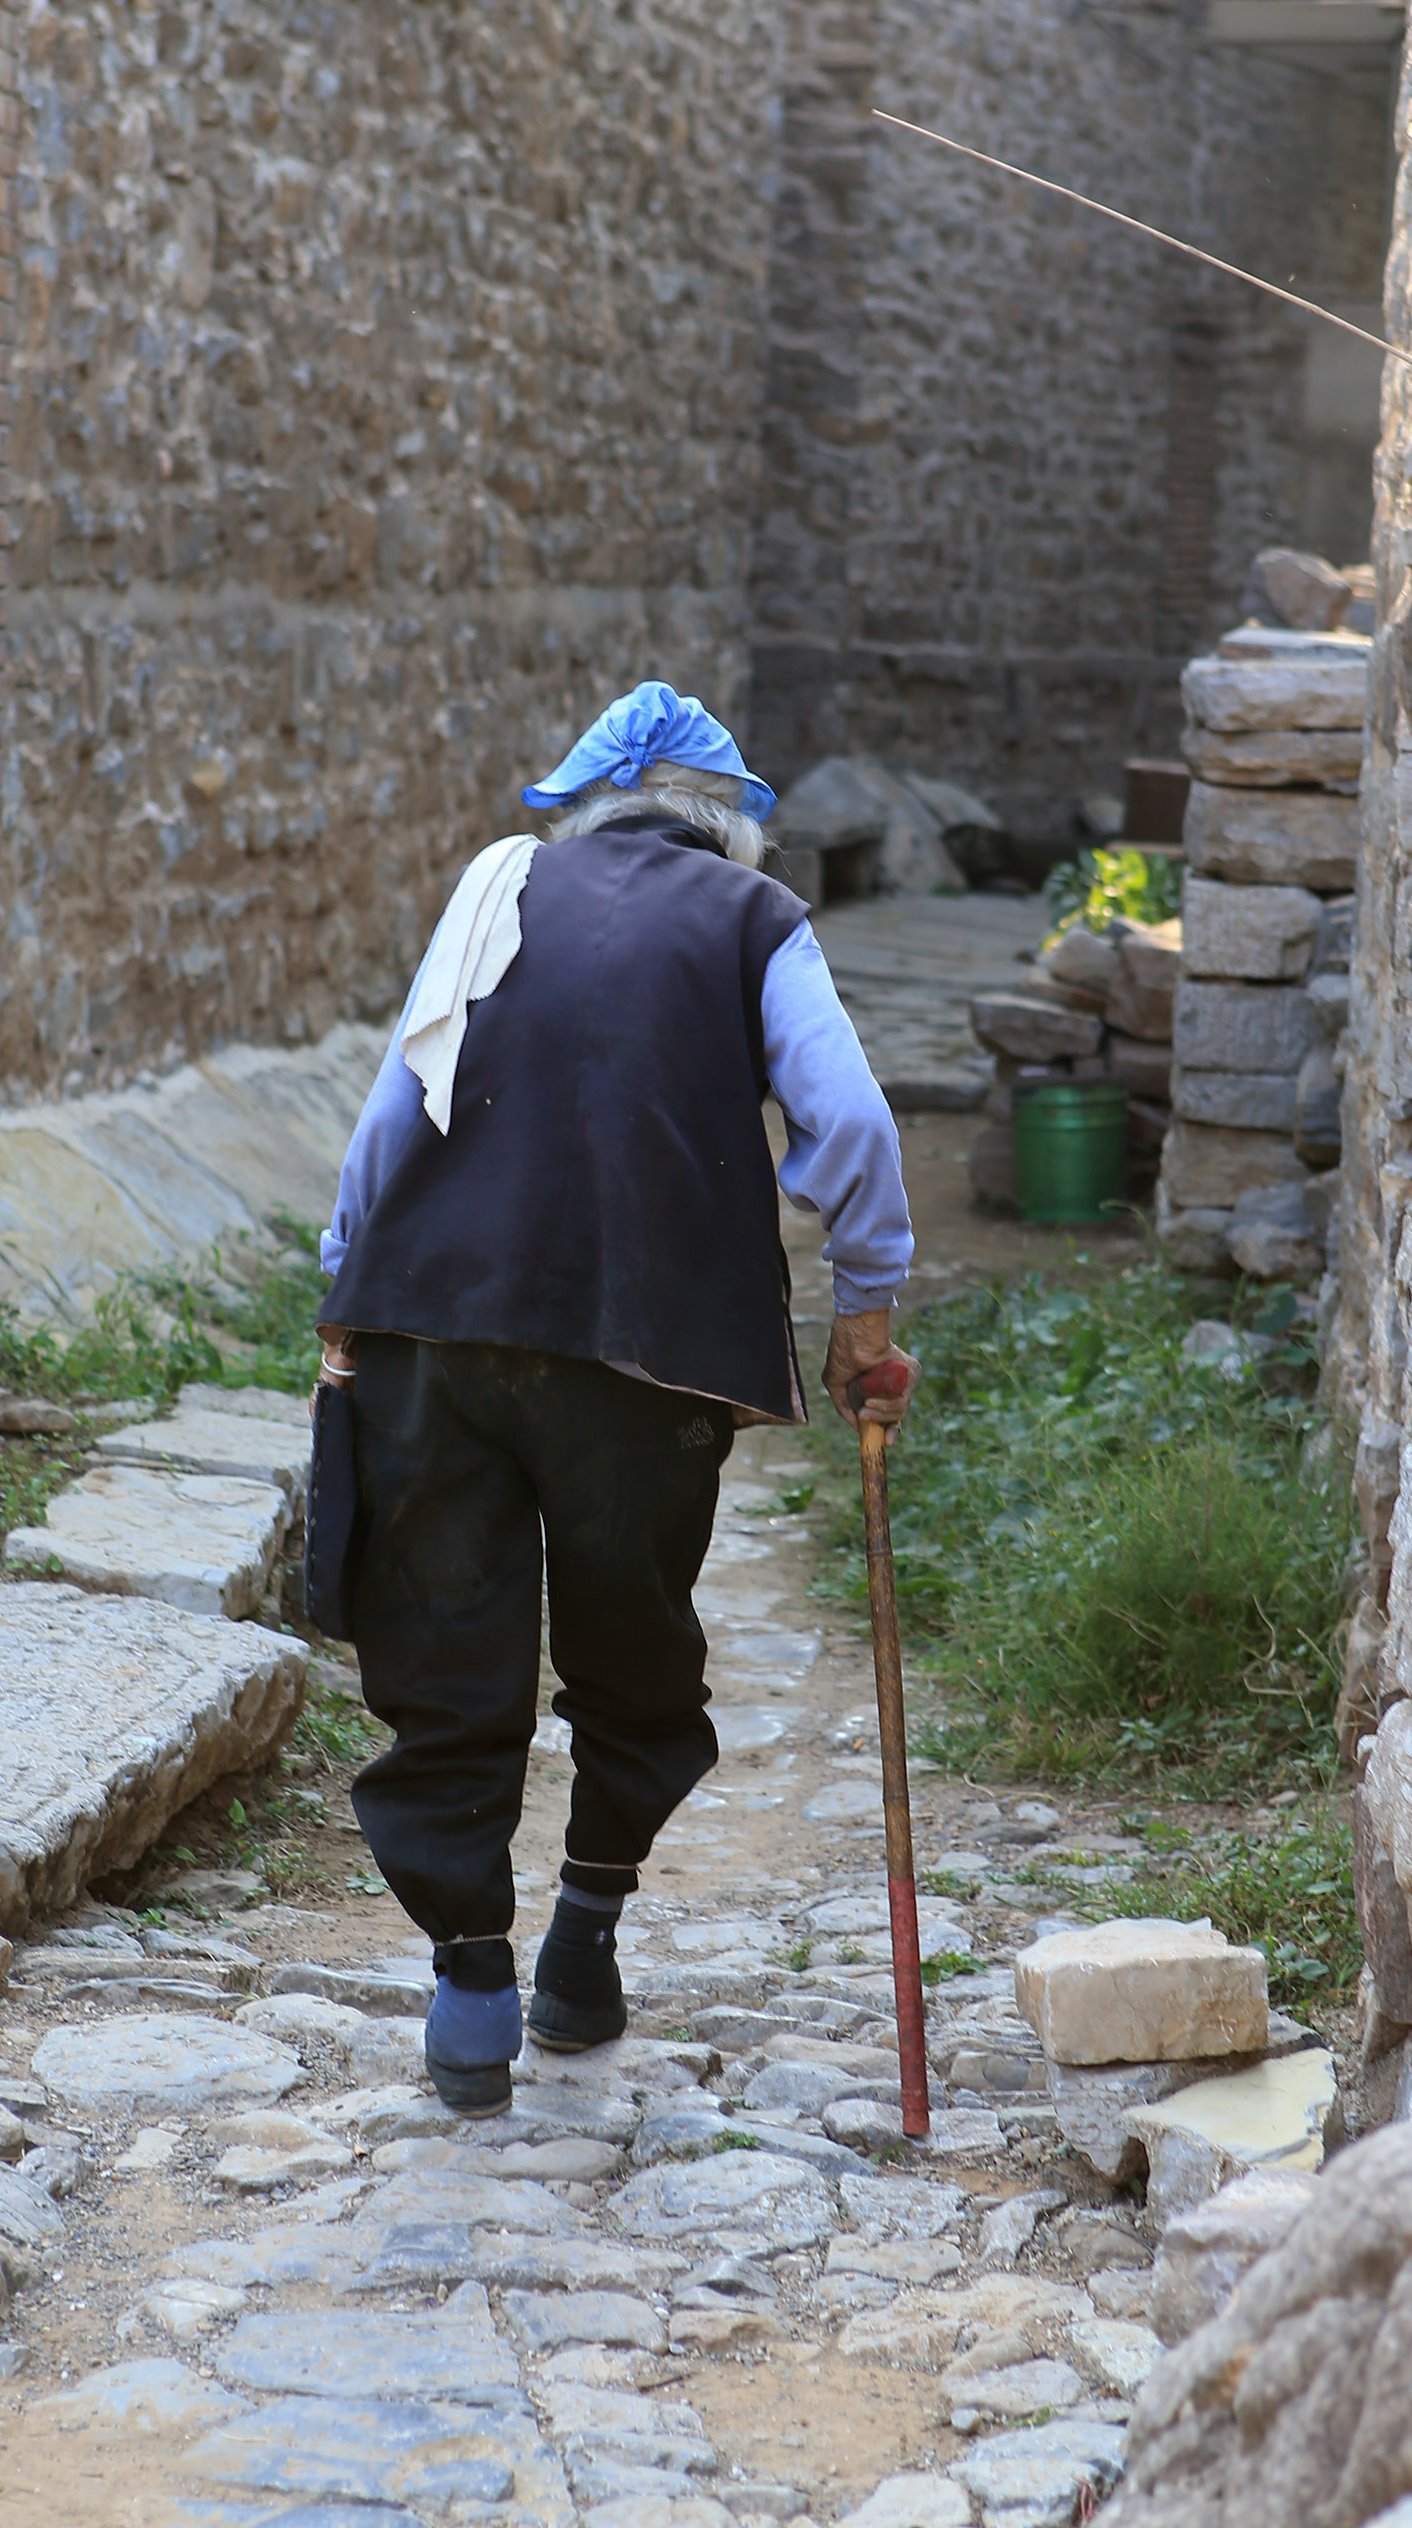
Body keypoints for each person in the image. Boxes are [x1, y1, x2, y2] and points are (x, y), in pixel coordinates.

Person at [316, 680, 917, 2114]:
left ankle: (471, 1988)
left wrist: (347, 1290)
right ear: (731, 826)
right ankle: (579, 1947)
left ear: (579, 808)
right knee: (631, 1655)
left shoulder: (499, 881)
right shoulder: (756, 922)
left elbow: (395, 1106)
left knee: (444, 1656)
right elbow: (852, 1123)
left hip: (434, 1326)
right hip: (648, 1356)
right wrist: (868, 1308)